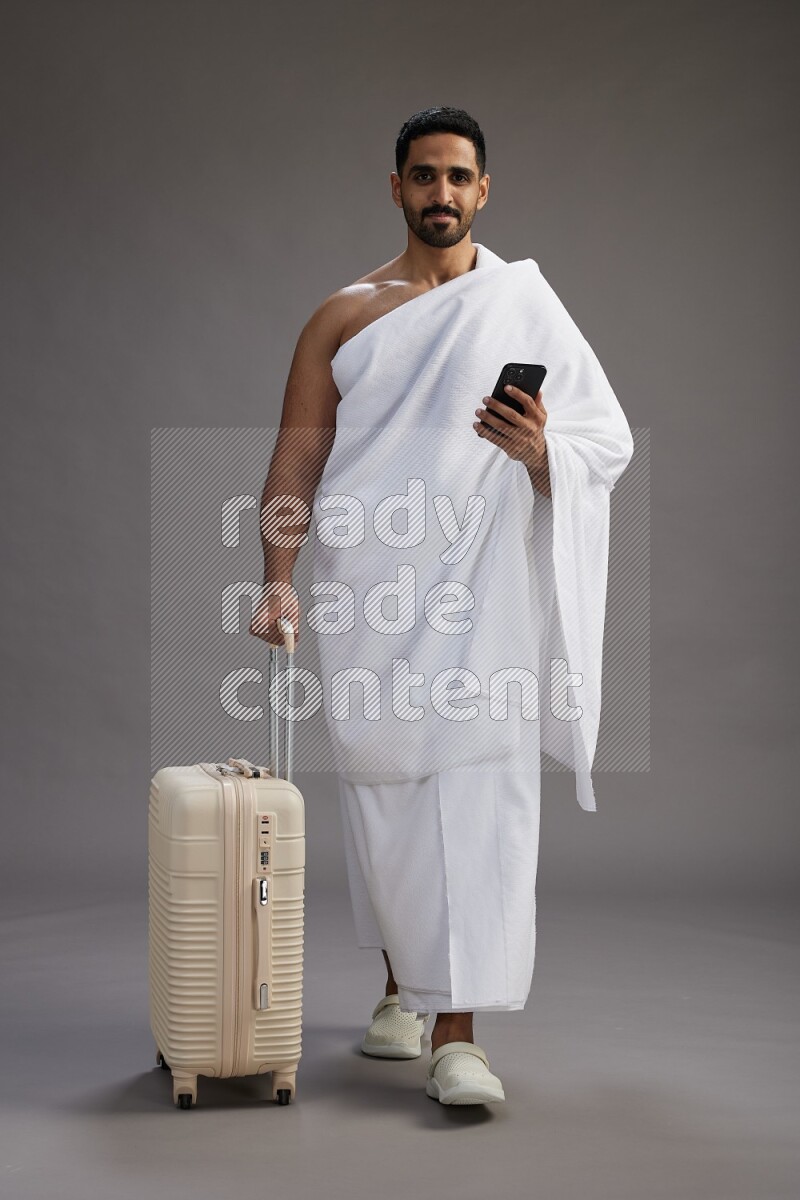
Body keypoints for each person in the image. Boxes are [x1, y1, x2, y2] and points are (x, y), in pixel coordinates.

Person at [250, 106, 633, 1106]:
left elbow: (602, 442)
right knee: (384, 794)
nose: (441, 195)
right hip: (368, 586)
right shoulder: (342, 314)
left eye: (459, 178)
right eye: (423, 177)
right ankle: (398, 985)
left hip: (482, 588)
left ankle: (456, 1034)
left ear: (483, 189)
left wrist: (538, 453)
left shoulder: (524, 309)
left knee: (476, 789)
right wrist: (277, 581)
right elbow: (297, 457)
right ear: (394, 188)